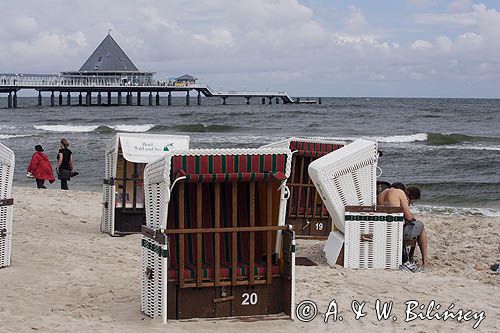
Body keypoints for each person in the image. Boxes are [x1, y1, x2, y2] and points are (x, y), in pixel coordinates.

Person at [377, 184, 428, 267]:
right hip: (396, 232)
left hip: (382, 232)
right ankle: (425, 261)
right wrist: (413, 220)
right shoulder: (400, 193)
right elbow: (409, 217)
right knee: (421, 226)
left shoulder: (380, 194)